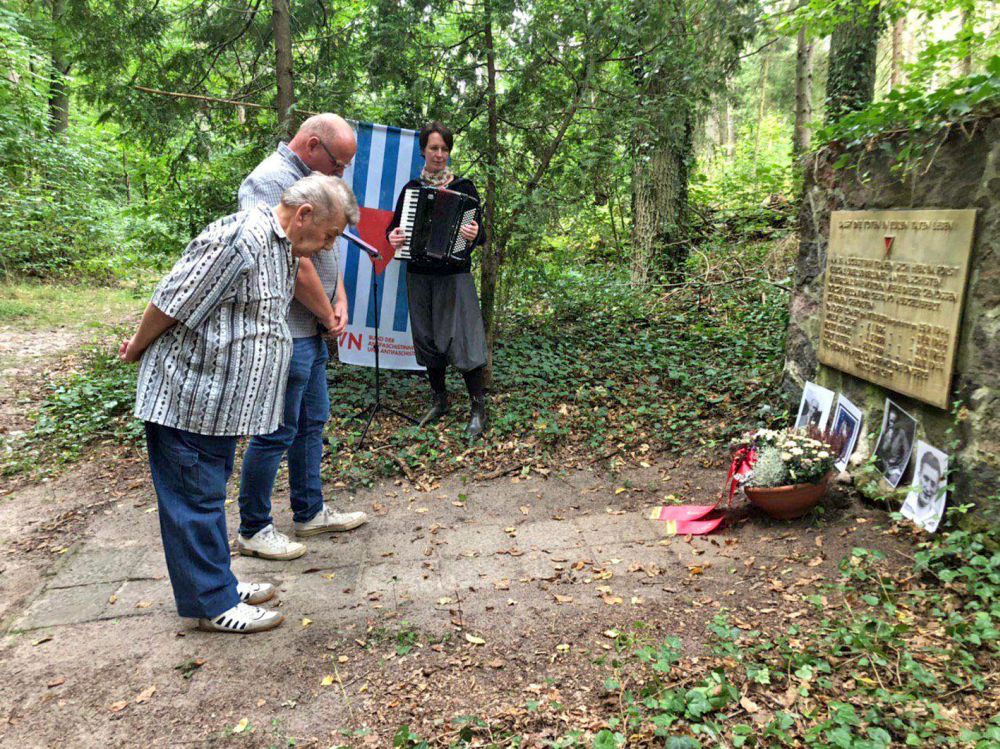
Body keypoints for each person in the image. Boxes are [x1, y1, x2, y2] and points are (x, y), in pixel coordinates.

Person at [120, 174, 357, 633]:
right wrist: (136, 347)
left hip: (220, 406)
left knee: (206, 493)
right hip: (188, 395)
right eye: (328, 235)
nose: (328, 247)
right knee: (194, 499)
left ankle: (218, 582)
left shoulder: (282, 248)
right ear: (304, 215)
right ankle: (212, 603)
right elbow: (172, 301)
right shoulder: (239, 238)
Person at [236, 114, 368, 562]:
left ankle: (309, 511)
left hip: (313, 326)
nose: (340, 173)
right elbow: (293, 263)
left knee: (312, 422)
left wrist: (340, 297)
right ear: (313, 145)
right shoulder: (269, 181)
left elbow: (330, 248)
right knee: (275, 430)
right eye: (338, 163)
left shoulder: (314, 180)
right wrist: (325, 309)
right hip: (286, 328)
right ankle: (253, 527)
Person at [387, 121, 489, 438]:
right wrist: (394, 237)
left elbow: (480, 235)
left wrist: (472, 234)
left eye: (444, 149)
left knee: (463, 339)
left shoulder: (465, 189)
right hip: (419, 274)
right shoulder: (411, 191)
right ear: (423, 150)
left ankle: (478, 409)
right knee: (428, 338)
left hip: (454, 275)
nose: (439, 154)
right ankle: (440, 400)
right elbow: (393, 231)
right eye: (434, 148)